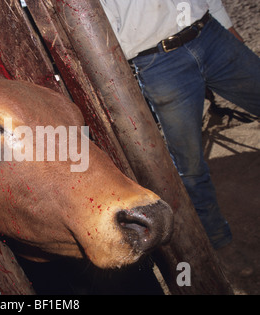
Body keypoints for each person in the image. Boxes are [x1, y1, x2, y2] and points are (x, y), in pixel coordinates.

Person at [100, 0, 260, 249]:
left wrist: (226, 25)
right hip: (159, 62)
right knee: (190, 163)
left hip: (210, 34)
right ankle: (216, 238)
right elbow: (101, 28)